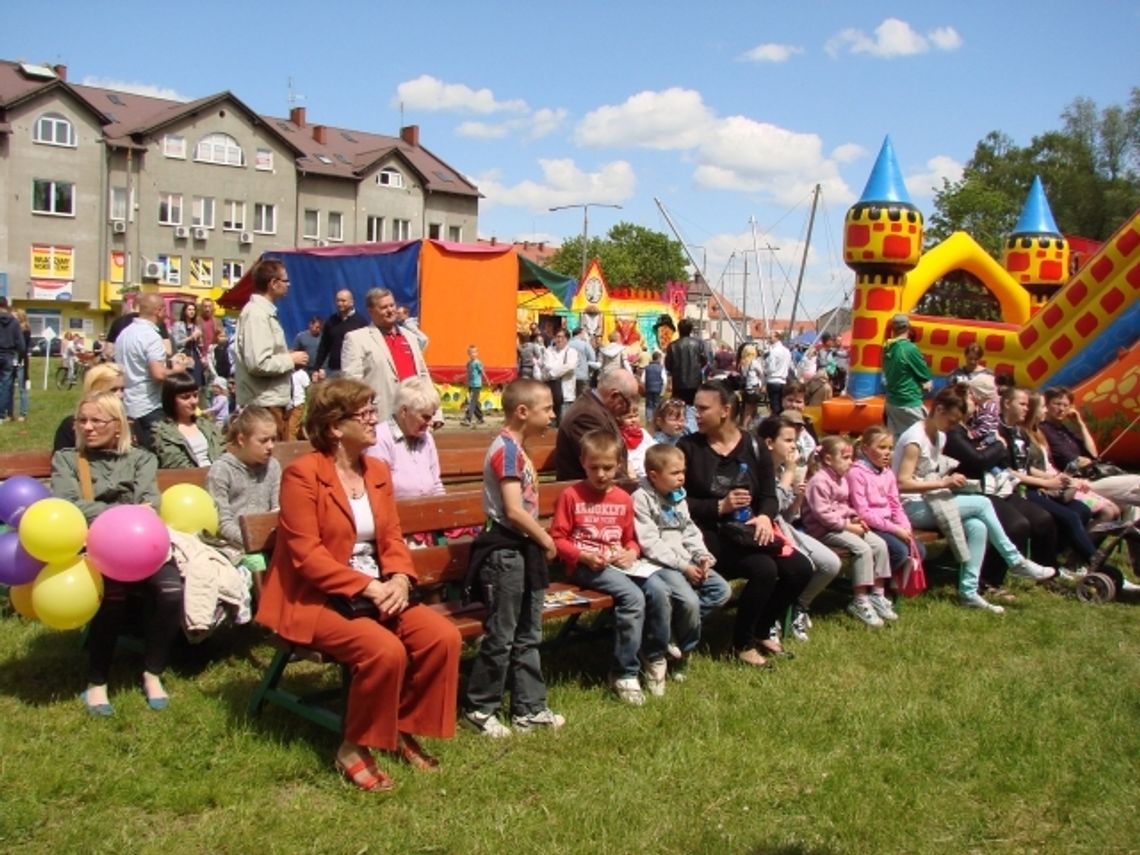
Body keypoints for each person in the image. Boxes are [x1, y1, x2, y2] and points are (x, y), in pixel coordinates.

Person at [255, 378, 462, 791]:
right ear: (334, 426)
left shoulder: (377, 471)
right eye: (364, 413)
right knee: (383, 650)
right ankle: (353, 746)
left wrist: (401, 579)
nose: (374, 420)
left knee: (442, 637)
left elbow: (391, 538)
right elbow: (306, 555)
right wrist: (369, 588)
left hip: (375, 592)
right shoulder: (303, 475)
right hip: (315, 599)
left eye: (373, 410)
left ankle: (400, 727)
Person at [51, 391, 183, 715]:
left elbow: (151, 502)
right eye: (82, 420)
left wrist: (113, 512)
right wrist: (125, 512)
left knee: (170, 591)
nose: (87, 427)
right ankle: (97, 681)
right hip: (95, 548)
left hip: (141, 547)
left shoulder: (141, 458)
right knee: (112, 595)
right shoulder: (69, 459)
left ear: (117, 423)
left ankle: (152, 672)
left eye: (97, 420)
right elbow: (69, 504)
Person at [677, 381, 813, 667]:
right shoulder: (688, 448)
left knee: (800, 569)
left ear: (725, 410)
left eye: (703, 408)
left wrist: (764, 516)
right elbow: (676, 502)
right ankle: (742, 644)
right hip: (705, 533)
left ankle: (763, 628)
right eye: (695, 408)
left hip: (748, 529)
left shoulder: (753, 445)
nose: (696, 414)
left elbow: (768, 494)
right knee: (763, 569)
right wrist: (719, 506)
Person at [892, 385, 1055, 615]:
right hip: (909, 506)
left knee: (977, 526)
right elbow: (902, 483)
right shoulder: (914, 439)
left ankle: (969, 592)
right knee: (983, 503)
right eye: (952, 421)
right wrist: (943, 483)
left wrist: (950, 478)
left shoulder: (938, 435)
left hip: (930, 500)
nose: (952, 427)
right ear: (939, 409)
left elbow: (930, 473)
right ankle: (1015, 560)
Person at [462, 378, 565, 737]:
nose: (553, 414)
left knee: (528, 632)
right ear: (523, 411)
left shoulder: (519, 449)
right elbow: (514, 511)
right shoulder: (505, 450)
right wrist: (546, 540)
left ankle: (529, 708)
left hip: (524, 550)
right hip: (506, 551)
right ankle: (480, 707)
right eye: (548, 408)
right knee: (502, 634)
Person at [550, 430, 647, 705]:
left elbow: (630, 538)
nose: (601, 474)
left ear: (618, 464)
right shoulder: (572, 496)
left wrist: (631, 552)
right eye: (594, 467)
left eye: (607, 467)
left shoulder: (622, 499)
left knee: (657, 589)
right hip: (585, 566)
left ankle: (655, 653)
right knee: (632, 597)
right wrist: (582, 556)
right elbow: (558, 539)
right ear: (583, 462)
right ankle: (624, 672)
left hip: (618, 565)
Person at [632, 443, 731, 693]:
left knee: (721, 590)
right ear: (654, 476)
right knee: (689, 601)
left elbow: (689, 530)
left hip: (687, 559)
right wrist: (684, 566)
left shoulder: (679, 496)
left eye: (683, 472)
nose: (681, 478)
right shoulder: (642, 499)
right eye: (675, 473)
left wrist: (702, 556)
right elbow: (650, 544)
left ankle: (675, 632)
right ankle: (683, 652)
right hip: (661, 564)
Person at [758, 415, 841, 642]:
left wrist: (798, 496)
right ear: (769, 443)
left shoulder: (780, 470)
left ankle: (798, 606)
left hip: (785, 527)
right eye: (787, 440)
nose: (794, 445)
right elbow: (770, 508)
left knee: (831, 564)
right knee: (804, 565)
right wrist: (789, 472)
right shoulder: (760, 470)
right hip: (766, 533)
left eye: (794, 440)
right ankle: (771, 617)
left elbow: (787, 514)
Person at [999, 387, 1099, 573]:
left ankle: (1062, 558)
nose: (1045, 410)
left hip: (1038, 485)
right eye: (1044, 406)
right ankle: (1094, 564)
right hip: (1022, 489)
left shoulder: (1022, 434)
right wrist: (1048, 481)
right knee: (1064, 516)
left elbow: (1027, 467)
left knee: (1081, 509)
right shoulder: (1008, 432)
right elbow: (1011, 471)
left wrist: (1057, 478)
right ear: (1006, 404)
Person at [802, 436, 896, 627]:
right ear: (828, 459)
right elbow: (824, 516)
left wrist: (854, 516)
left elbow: (844, 505)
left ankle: (877, 594)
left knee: (879, 544)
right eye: (845, 458)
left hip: (842, 524)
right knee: (862, 548)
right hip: (822, 531)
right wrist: (848, 526)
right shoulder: (819, 481)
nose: (850, 463)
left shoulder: (841, 479)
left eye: (851, 458)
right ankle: (859, 599)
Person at [206, 406, 281, 591]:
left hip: (269, 539)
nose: (270, 446)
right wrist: (252, 540)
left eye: (273, 439)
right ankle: (262, 615)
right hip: (234, 544)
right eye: (263, 440)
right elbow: (222, 523)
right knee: (257, 561)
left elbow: (277, 508)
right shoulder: (222, 470)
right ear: (242, 439)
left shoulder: (273, 467)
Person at [847, 425, 927, 596]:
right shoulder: (856, 474)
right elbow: (863, 512)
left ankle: (891, 584)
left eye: (890, 448)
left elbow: (895, 504)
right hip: (870, 525)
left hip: (889, 524)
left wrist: (905, 526)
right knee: (899, 551)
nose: (887, 453)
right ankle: (871, 584)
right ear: (866, 449)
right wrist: (896, 530)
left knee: (919, 550)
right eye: (881, 447)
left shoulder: (888, 473)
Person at [235, 260, 308, 439]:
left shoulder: (264, 313)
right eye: (285, 281)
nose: (289, 285)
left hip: (271, 402)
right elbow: (258, 363)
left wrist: (287, 359)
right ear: (273, 284)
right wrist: (291, 360)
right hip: (264, 404)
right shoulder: (257, 315)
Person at [341, 287, 434, 424]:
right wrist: (364, 416)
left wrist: (435, 413)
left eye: (392, 305)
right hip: (381, 418)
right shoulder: (356, 339)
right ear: (371, 311)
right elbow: (352, 383)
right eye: (384, 307)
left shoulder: (410, 337)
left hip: (415, 417)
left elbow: (423, 375)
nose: (390, 310)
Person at [1038, 386, 1140, 509]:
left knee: (1132, 502)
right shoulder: (1044, 429)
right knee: (1137, 483)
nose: (1061, 409)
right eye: (1057, 404)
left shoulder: (1065, 430)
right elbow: (1073, 461)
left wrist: (1080, 424)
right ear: (1046, 406)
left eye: (1066, 406)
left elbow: (1093, 454)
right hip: (1080, 482)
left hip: (1095, 476)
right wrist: (1083, 461)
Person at [115, 293, 192, 448]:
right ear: (159, 310)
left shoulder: (125, 333)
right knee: (158, 455)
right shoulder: (151, 336)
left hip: (127, 404)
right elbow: (158, 374)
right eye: (165, 310)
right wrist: (178, 369)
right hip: (148, 407)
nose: (167, 315)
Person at [366, 377, 445, 501]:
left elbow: (436, 485)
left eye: (432, 416)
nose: (430, 423)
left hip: (428, 514)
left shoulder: (427, 438)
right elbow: (378, 492)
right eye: (425, 417)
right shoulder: (380, 438)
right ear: (404, 411)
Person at [554, 367, 639, 480]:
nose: (628, 409)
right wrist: (632, 483)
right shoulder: (585, 417)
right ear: (614, 395)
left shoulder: (595, 406)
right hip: (587, 492)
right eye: (628, 401)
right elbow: (603, 463)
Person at [151, 371, 224, 469]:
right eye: (185, 397)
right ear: (171, 400)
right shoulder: (163, 432)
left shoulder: (207, 425)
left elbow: (223, 453)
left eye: (195, 395)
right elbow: (177, 465)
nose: (193, 401)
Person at [54, 363, 130, 450]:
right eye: (113, 390)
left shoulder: (130, 423)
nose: (121, 395)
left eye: (122, 389)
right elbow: (60, 461)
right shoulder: (71, 426)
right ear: (96, 391)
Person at [882, 314, 932, 439]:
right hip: (908, 402)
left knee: (897, 441)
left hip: (892, 402)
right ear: (908, 328)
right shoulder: (909, 349)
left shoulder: (888, 348)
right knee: (922, 439)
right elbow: (925, 376)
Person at [314, 289, 367, 379]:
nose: (339, 304)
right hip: (333, 370)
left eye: (343, 301)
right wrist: (316, 368)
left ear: (351, 302)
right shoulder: (331, 321)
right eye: (338, 300)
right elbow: (324, 346)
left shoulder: (360, 322)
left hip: (353, 370)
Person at [664, 319, 704, 433]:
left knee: (679, 408)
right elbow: (705, 360)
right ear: (691, 330)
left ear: (678, 330)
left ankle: (680, 431)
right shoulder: (698, 344)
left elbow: (668, 365)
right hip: (695, 382)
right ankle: (693, 430)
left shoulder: (672, 346)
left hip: (679, 382)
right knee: (693, 408)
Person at [541, 328, 578, 426]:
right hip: (551, 393)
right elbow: (546, 365)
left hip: (566, 394)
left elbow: (570, 366)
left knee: (564, 425)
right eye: (557, 337)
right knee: (550, 425)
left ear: (567, 339)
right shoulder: (549, 351)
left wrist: (552, 373)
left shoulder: (572, 352)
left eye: (562, 337)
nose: (559, 340)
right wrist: (560, 368)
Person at [5, 307, 32, 422]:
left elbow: (24, 347)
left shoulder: (25, 330)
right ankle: (9, 413)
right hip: (10, 359)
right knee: (9, 386)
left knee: (22, 388)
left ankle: (23, 413)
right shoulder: (10, 328)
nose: (12, 318)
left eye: (15, 316)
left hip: (21, 360)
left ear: (20, 317)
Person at [172, 302, 205, 385]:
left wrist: (200, 337)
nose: (192, 312)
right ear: (184, 311)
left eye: (193, 310)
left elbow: (200, 345)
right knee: (184, 382)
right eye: (189, 309)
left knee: (196, 381)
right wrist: (191, 337)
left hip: (194, 355)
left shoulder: (196, 326)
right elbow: (176, 343)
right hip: (182, 356)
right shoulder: (177, 325)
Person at [763, 331, 792, 416]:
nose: (769, 339)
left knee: (775, 406)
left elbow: (771, 368)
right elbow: (789, 365)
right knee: (782, 405)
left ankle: (776, 424)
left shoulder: (774, 351)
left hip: (773, 380)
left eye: (770, 337)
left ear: (777, 338)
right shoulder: (787, 351)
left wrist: (764, 370)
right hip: (783, 381)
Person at [619, 406, 654, 479]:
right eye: (629, 417)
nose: (634, 420)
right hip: (632, 474)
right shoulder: (619, 437)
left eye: (636, 416)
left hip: (648, 470)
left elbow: (654, 448)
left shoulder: (643, 432)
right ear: (619, 419)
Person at [461, 344, 488, 427]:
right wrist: (466, 382)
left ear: (477, 353)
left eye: (474, 352)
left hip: (476, 385)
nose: (473, 354)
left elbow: (482, 372)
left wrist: (487, 380)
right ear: (468, 354)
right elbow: (468, 374)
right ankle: (480, 418)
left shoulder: (477, 363)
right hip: (471, 385)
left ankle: (468, 419)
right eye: (471, 352)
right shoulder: (469, 363)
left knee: (471, 402)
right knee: (474, 402)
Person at [286, 354, 311, 441]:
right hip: (289, 404)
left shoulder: (302, 374)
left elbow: (308, 388)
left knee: (292, 427)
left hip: (299, 403)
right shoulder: (288, 373)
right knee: (290, 426)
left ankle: (291, 446)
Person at [739, 344, 763, 428]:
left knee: (747, 409)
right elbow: (761, 373)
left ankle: (747, 426)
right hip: (754, 387)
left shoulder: (743, 363)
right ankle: (745, 427)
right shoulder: (754, 362)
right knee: (750, 410)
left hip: (746, 388)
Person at [568, 327, 596, 398]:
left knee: (570, 399)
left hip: (569, 375)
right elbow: (593, 358)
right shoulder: (585, 344)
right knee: (583, 398)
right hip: (582, 375)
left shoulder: (568, 344)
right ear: (580, 333)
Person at [643, 350, 665, 427]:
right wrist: (663, 391)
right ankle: (656, 420)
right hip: (658, 389)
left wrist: (645, 387)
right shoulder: (661, 368)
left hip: (648, 388)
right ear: (659, 358)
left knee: (649, 405)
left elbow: (643, 380)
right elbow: (664, 380)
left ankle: (649, 420)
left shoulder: (647, 368)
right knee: (657, 405)